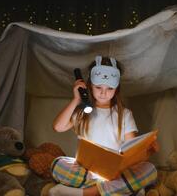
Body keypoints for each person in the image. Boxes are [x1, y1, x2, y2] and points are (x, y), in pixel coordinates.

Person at [49, 55, 158, 196]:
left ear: (116, 90)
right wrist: (76, 99)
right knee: (57, 164)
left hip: (115, 172)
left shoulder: (124, 114)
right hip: (87, 170)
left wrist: (145, 150)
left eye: (109, 89)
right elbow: (58, 127)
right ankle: (123, 189)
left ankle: (86, 193)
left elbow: (131, 148)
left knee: (149, 169)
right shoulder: (83, 112)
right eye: (98, 87)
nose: (103, 93)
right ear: (89, 86)